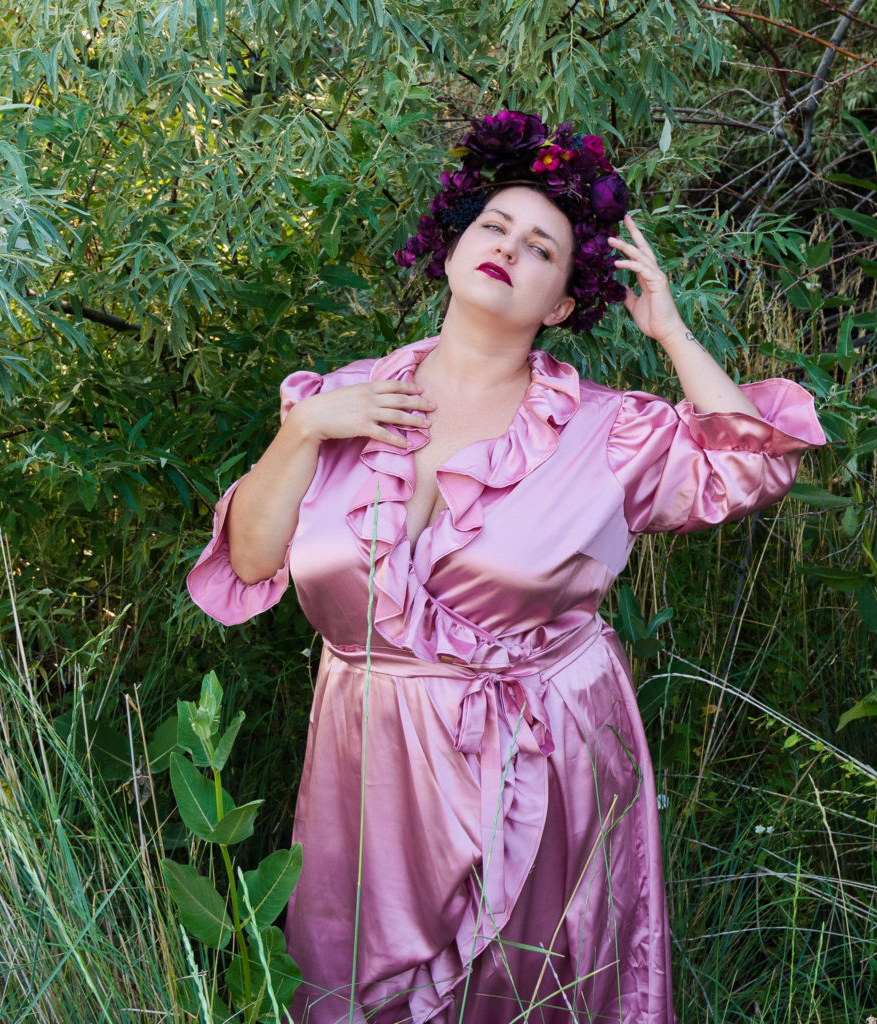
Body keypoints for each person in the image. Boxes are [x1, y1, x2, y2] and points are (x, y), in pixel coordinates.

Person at [187, 110, 825, 1024]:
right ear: (451, 250)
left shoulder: (610, 429)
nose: (509, 248)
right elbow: (249, 561)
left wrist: (673, 333)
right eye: (494, 226)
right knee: (353, 984)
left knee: (535, 988)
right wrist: (304, 429)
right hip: (370, 759)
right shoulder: (337, 401)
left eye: (541, 248)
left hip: (549, 751)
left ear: (562, 302)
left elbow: (752, 463)